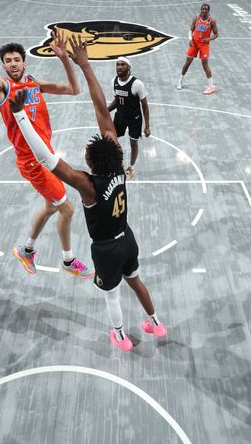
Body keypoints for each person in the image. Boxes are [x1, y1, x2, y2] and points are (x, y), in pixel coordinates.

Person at [9, 36, 166, 352]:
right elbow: (101, 109)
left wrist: (21, 117)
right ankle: (156, 321)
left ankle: (120, 336)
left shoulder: (88, 186)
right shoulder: (119, 164)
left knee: (113, 294)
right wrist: (84, 65)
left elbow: (45, 158)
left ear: (92, 161)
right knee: (135, 280)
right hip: (128, 237)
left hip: (106, 249)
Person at [0, 5, 92, 279]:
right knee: (67, 208)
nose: (12, 63)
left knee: (52, 206)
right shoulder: (4, 88)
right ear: (3, 67)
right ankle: (68, 259)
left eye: (16, 59)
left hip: (47, 156)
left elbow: (74, 90)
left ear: (24, 63)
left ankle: (26, 250)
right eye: (8, 61)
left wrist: (64, 59)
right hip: (32, 162)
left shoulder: (34, 84)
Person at [107, 56, 150, 179]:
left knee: (133, 144)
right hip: (120, 117)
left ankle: (131, 167)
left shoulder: (137, 84)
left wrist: (147, 126)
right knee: (113, 141)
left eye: (123, 64)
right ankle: (117, 162)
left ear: (129, 67)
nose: (119, 67)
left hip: (134, 119)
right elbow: (117, 100)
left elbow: (145, 107)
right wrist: (106, 111)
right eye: (118, 64)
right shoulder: (114, 81)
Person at [177, 3, 219, 94]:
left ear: (208, 11)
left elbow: (216, 34)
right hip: (195, 43)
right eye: (203, 9)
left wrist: (209, 38)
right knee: (188, 62)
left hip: (204, 44)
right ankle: (180, 80)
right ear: (201, 10)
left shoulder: (212, 21)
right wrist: (190, 39)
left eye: (206, 9)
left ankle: (211, 86)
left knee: (205, 64)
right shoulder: (196, 19)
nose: (204, 11)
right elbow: (190, 30)